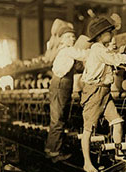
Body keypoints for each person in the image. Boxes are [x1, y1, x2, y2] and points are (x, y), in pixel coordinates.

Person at [81, 16, 126, 172]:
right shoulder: (98, 49)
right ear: (100, 35)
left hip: (104, 91)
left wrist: (124, 50)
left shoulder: (101, 49)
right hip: (94, 91)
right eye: (109, 32)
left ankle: (118, 154)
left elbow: (113, 55)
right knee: (88, 129)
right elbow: (116, 59)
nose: (112, 34)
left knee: (117, 121)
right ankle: (87, 163)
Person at [44, 19, 89, 163]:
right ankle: (55, 153)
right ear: (63, 39)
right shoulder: (67, 50)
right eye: (69, 36)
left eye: (73, 36)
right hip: (60, 85)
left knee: (57, 119)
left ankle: (50, 149)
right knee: (58, 120)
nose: (73, 38)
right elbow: (84, 55)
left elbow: (77, 66)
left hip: (61, 85)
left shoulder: (64, 51)